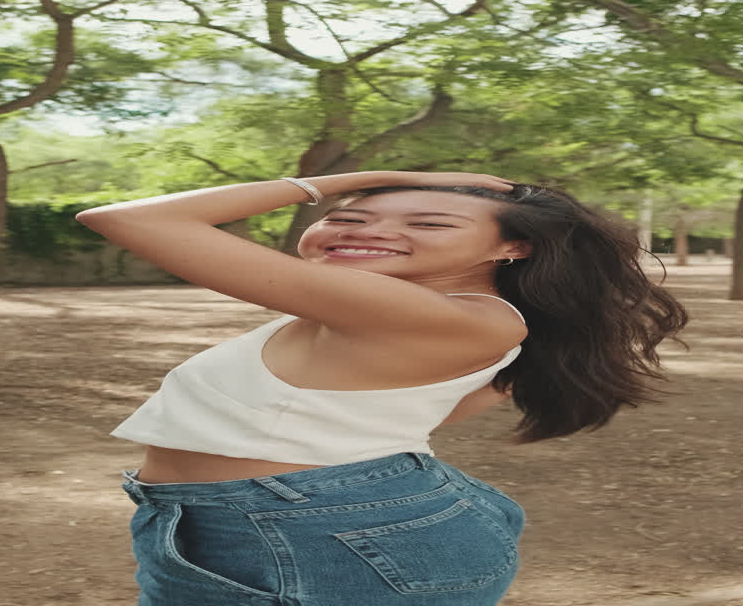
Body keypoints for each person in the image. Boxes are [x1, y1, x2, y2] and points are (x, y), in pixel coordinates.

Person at [76, 171, 687, 605]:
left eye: (428, 221)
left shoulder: (413, 309)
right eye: (346, 219)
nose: (363, 232)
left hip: (312, 534)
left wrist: (352, 180)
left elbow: (127, 219)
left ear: (513, 245)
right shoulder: (476, 315)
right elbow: (404, 415)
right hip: (301, 523)